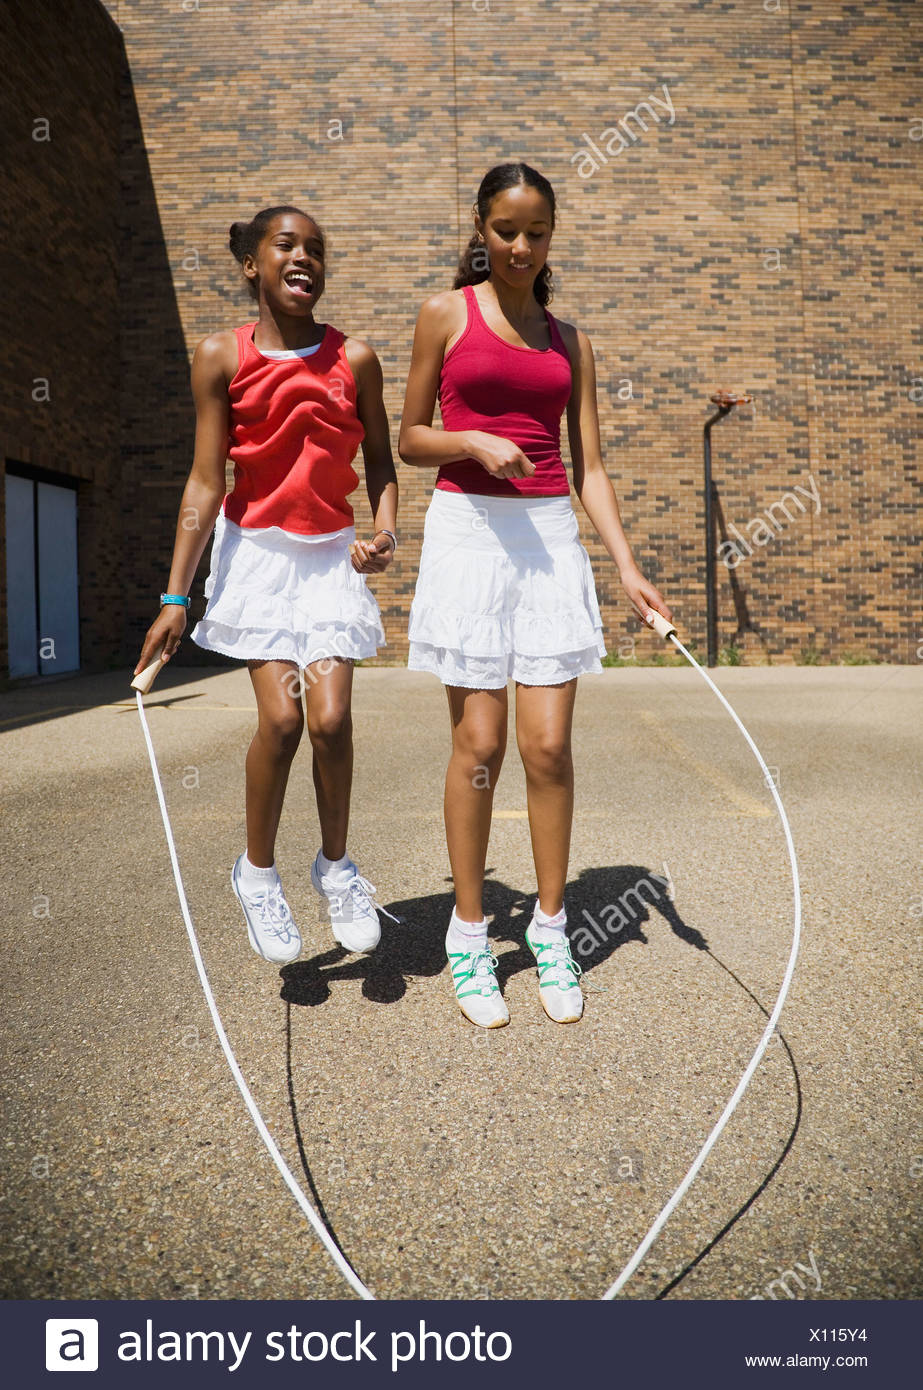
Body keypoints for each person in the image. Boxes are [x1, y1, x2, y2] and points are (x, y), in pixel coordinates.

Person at [398, 163, 672, 1028]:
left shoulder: (570, 341)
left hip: (549, 538)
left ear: (552, 236)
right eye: (505, 230)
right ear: (480, 229)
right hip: (467, 533)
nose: (520, 246)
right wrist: (471, 440)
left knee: (546, 749)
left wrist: (626, 566)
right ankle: (470, 936)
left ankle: (549, 929)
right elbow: (407, 439)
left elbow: (588, 465)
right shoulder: (445, 314)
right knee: (479, 745)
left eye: (536, 232)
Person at [134, 205, 398, 965]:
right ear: (252, 263)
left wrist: (383, 532)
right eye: (286, 245)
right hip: (255, 554)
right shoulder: (219, 354)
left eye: (317, 248)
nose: (304, 257)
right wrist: (175, 597)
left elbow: (381, 463)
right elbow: (202, 480)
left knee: (332, 718)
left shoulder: (358, 358)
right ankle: (255, 875)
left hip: (331, 557)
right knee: (282, 724)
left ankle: (337, 867)